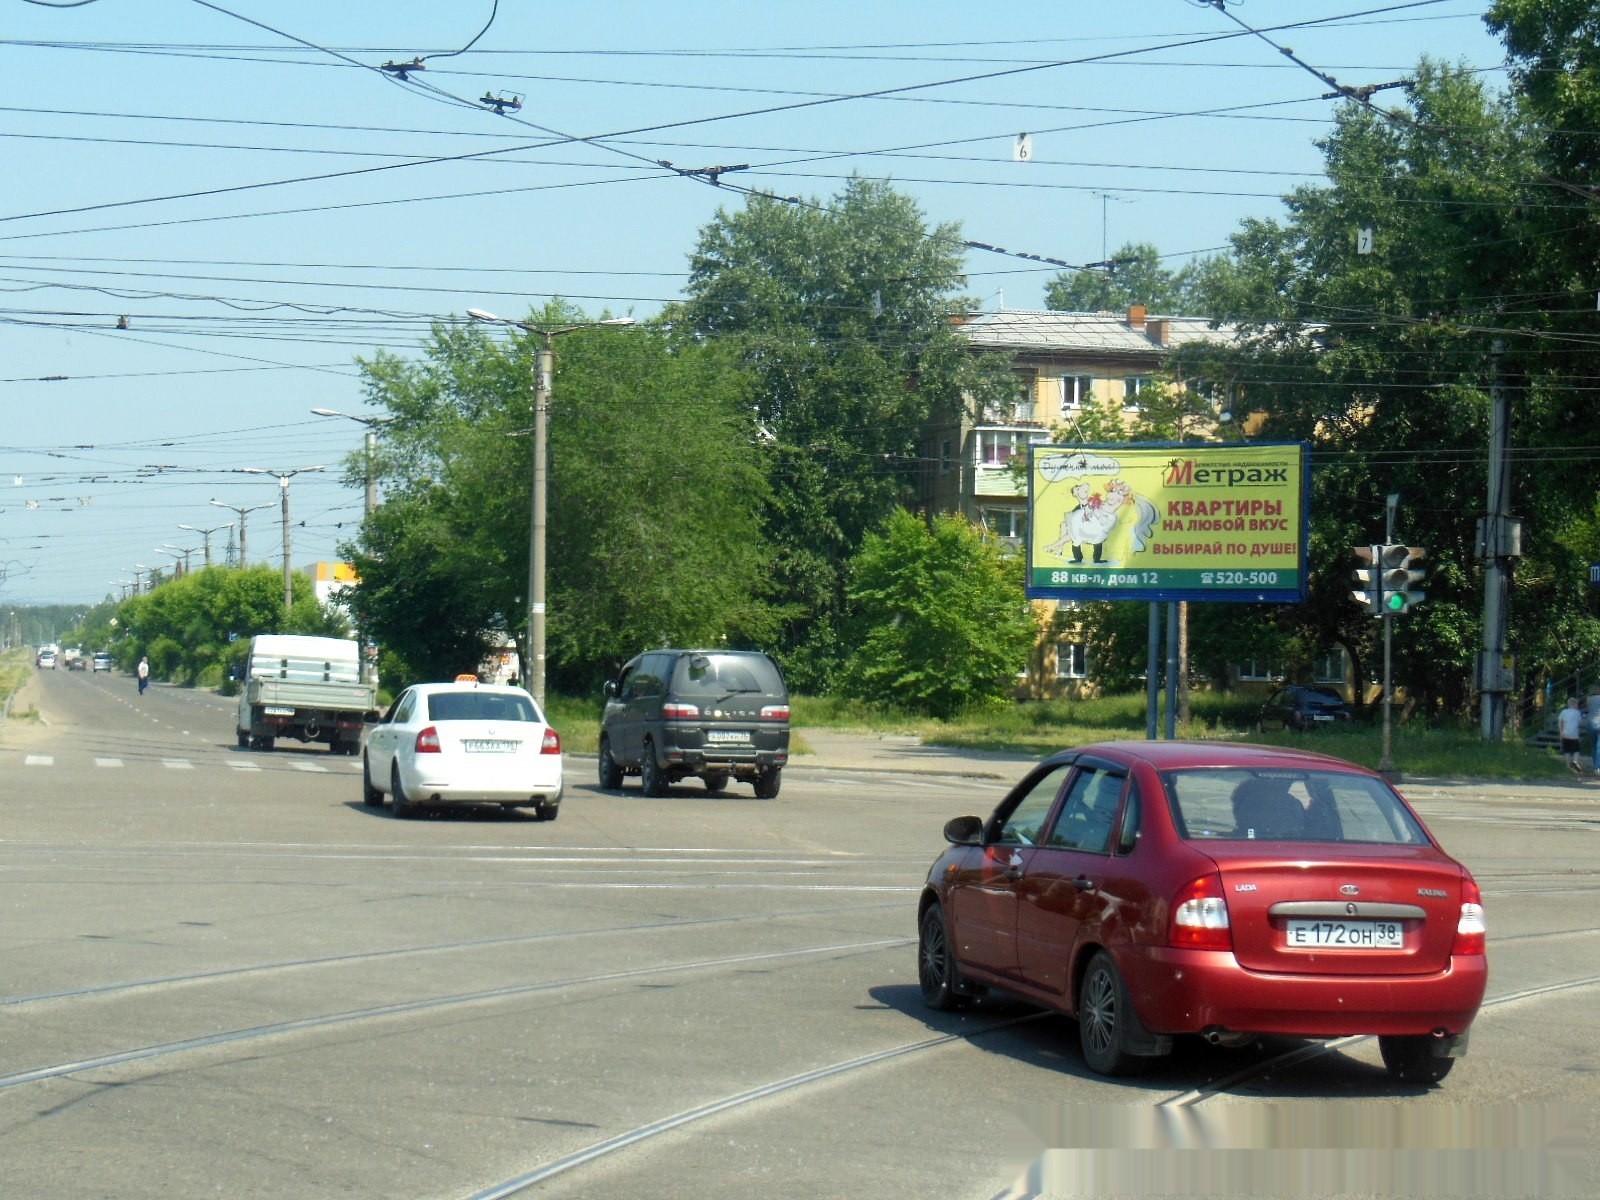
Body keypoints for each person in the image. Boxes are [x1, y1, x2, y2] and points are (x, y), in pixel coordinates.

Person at [1557, 695, 1583, 773]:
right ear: (1574, 704)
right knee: (1576, 750)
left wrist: (1561, 732)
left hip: (1565, 734)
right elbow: (1579, 722)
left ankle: (1568, 766)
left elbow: (1560, 721)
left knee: (1566, 750)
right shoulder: (1577, 713)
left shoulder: (1564, 712)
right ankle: (1575, 761)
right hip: (1574, 735)